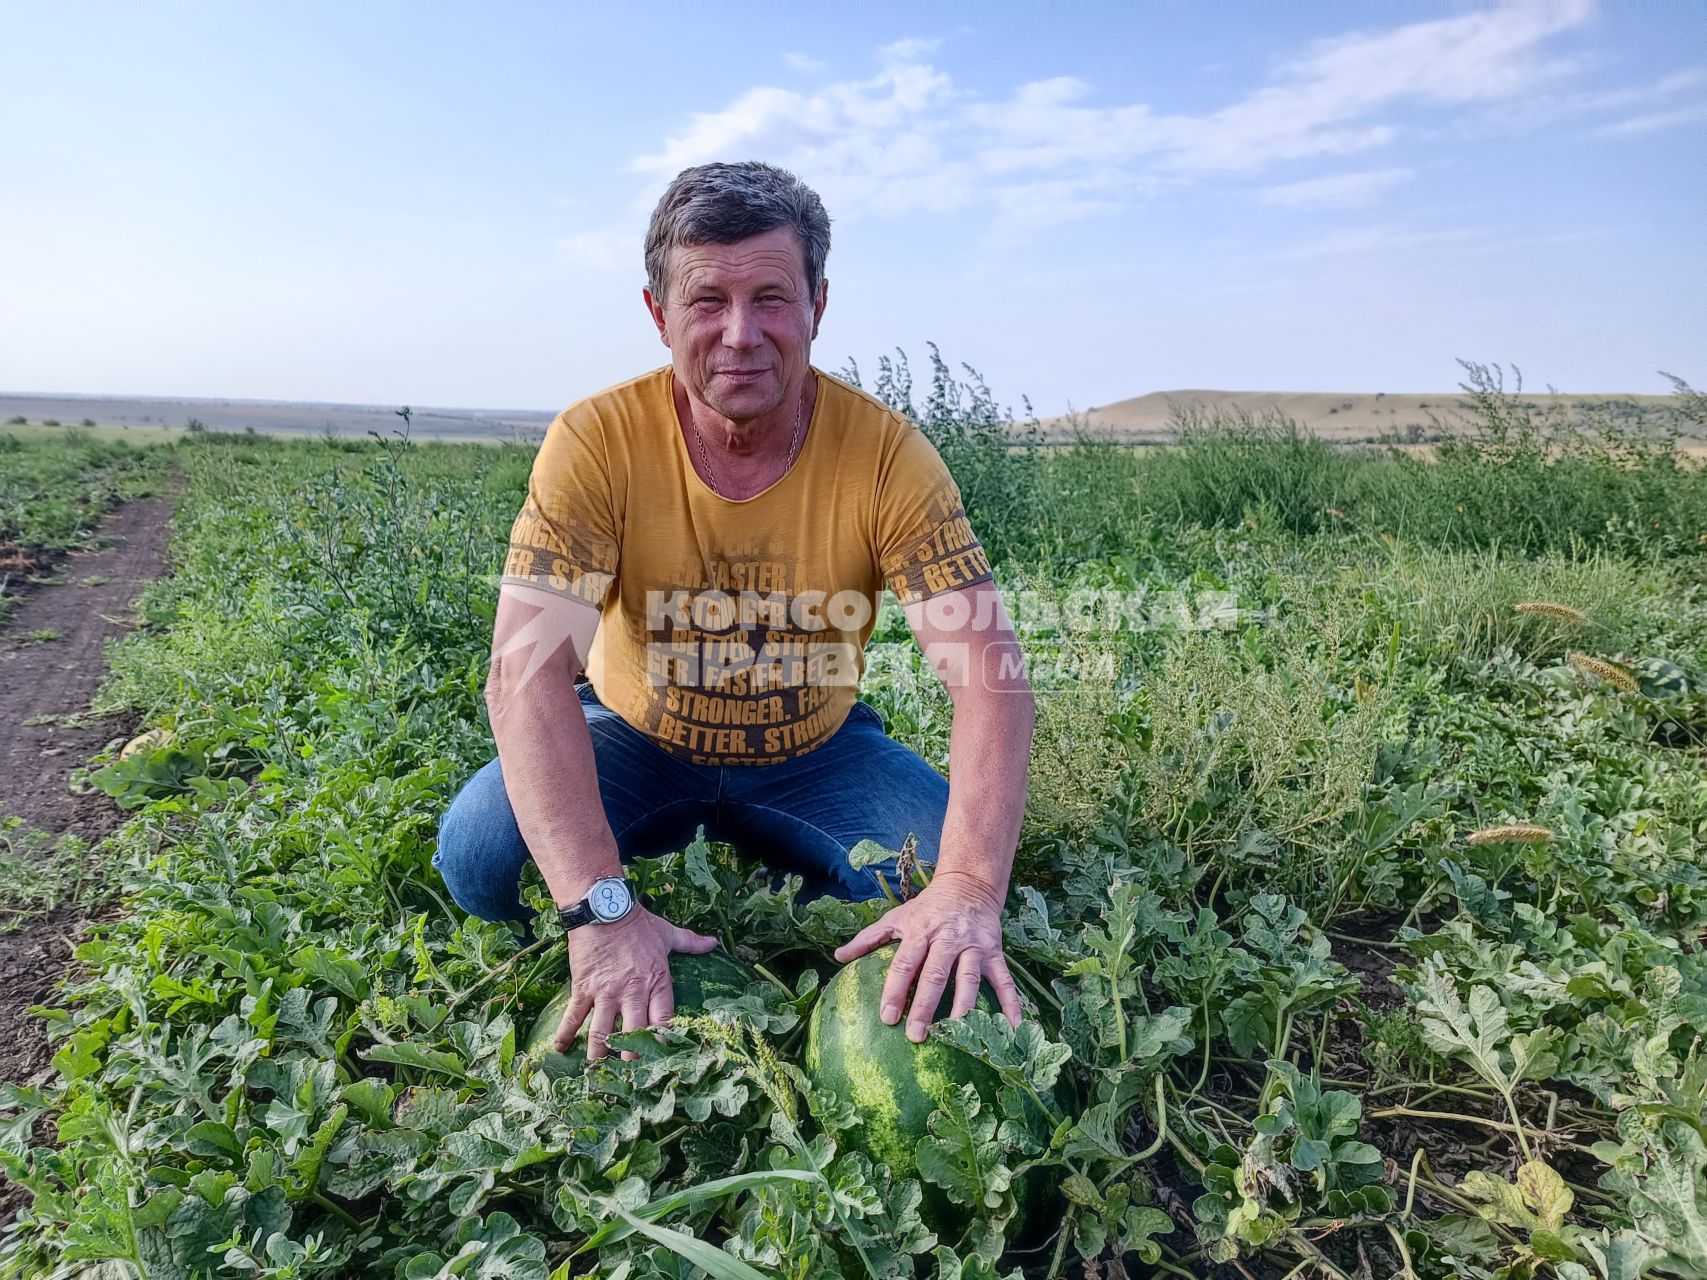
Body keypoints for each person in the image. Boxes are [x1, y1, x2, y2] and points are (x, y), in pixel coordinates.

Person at [433, 160, 1034, 1061]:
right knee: (483, 858)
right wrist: (598, 908)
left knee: (938, 881)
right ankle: (643, 886)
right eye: (707, 300)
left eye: (772, 298)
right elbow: (524, 676)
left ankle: (770, 856)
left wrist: (970, 888)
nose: (741, 334)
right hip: (635, 737)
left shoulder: (887, 456)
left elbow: (990, 680)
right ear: (657, 313)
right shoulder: (595, 441)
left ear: (818, 306)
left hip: (814, 749)